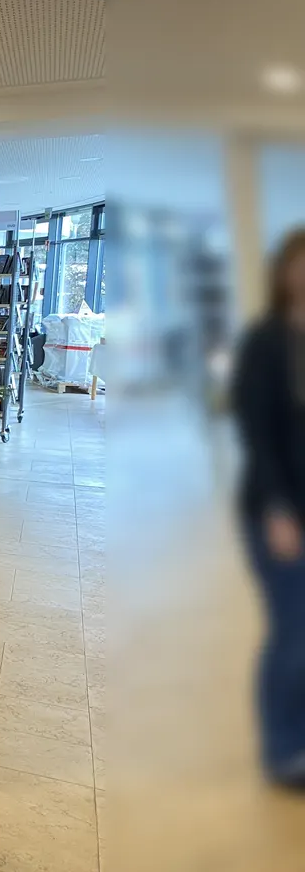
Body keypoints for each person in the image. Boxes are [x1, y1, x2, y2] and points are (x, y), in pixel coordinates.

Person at [233, 228, 305, 789]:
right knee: (293, 629)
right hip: (278, 510)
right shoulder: (266, 342)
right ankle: (284, 750)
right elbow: (258, 431)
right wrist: (279, 510)